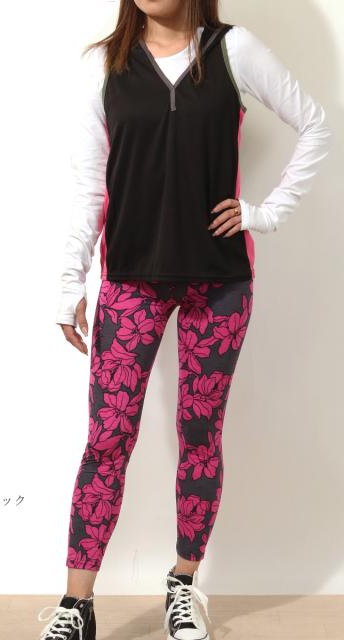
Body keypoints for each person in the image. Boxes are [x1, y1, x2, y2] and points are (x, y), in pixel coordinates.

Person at [38, 1, 332, 639]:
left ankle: (182, 583)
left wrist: (265, 213)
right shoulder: (105, 66)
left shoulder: (234, 50)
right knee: (108, 437)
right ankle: (76, 607)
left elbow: (316, 123)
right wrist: (69, 283)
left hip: (219, 282)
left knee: (200, 434)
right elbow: (90, 186)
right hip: (130, 280)